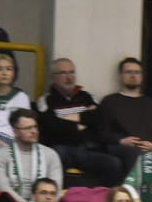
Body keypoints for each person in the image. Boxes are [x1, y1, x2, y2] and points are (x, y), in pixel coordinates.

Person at [35, 58, 121, 187]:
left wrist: (67, 119)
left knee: (114, 164)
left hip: (87, 149)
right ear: (53, 77)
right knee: (55, 156)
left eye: (71, 72)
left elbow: (99, 117)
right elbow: (51, 126)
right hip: (61, 149)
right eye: (63, 73)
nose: (69, 77)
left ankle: (97, 196)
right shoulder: (46, 100)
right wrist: (82, 123)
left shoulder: (86, 96)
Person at [0, 111, 63, 202]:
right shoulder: (1, 155)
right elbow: (4, 188)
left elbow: (56, 187)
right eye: (28, 128)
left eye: (35, 127)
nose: (34, 131)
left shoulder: (51, 154)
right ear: (15, 131)